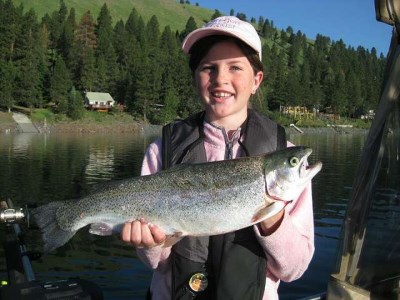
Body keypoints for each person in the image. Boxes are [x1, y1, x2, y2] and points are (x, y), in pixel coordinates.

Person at [121, 16, 315, 300]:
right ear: (195, 77)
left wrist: (272, 219)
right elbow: (153, 261)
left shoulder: (285, 157)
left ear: (256, 80)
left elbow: (294, 270)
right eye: (208, 68)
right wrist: (150, 244)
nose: (221, 79)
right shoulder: (161, 150)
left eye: (235, 67)